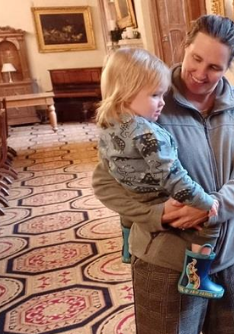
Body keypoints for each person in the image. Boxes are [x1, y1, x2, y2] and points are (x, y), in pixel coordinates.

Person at [92, 14, 234, 334]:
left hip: (232, 253)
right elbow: (105, 182)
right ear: (184, 47)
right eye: (196, 58)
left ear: (229, 67)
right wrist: (159, 215)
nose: (201, 73)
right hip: (164, 259)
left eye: (215, 67)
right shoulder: (148, 99)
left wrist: (214, 206)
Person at [95, 48, 223, 299]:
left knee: (126, 208)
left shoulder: (108, 125)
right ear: (126, 93)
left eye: (162, 94)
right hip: (156, 195)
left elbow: (108, 166)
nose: (162, 102)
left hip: (132, 195)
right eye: (155, 95)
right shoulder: (146, 133)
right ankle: (196, 278)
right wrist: (205, 201)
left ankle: (127, 246)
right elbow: (172, 176)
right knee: (210, 223)